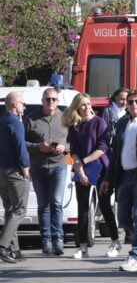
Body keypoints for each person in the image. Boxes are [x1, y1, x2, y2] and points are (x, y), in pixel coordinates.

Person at [100, 88, 137, 272]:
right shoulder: (122, 123)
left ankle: (135, 255)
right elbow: (114, 153)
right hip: (124, 175)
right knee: (122, 218)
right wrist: (108, 178)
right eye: (131, 102)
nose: (134, 105)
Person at [63, 92, 118, 259]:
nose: (86, 107)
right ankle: (82, 247)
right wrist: (79, 170)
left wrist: (83, 162)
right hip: (83, 169)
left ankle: (115, 241)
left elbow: (102, 148)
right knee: (83, 209)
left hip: (101, 168)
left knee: (104, 205)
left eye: (88, 104)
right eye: (82, 105)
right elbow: (75, 151)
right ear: (77, 107)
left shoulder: (100, 123)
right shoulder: (75, 126)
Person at [24, 88, 68, 256]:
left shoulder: (65, 118)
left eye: (54, 99)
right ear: (42, 100)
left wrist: (65, 148)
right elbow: (22, 142)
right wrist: (38, 147)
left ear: (57, 101)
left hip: (59, 165)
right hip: (38, 167)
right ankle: (46, 240)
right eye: (48, 99)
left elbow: (74, 143)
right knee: (43, 205)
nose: (51, 102)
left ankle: (58, 239)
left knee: (56, 202)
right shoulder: (31, 119)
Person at [0, 92, 29, 263]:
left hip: (1, 172)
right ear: (14, 105)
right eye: (22, 104)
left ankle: (15, 249)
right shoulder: (15, 122)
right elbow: (21, 147)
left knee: (10, 210)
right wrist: (25, 168)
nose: (24, 107)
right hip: (14, 173)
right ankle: (3, 245)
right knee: (19, 210)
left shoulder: (2, 121)